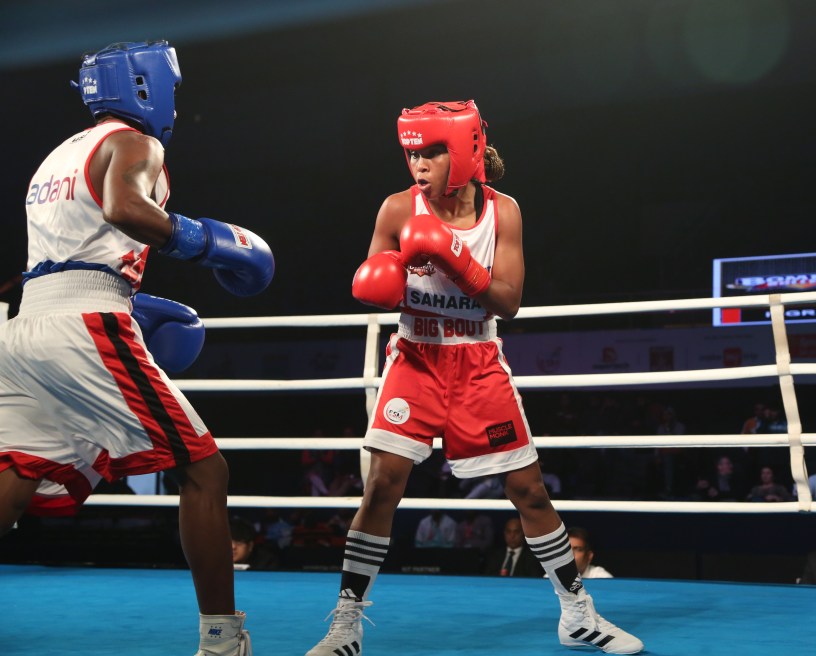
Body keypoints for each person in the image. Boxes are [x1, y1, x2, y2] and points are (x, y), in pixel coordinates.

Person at [304, 100, 643, 655]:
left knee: (528, 489)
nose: (419, 163)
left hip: (477, 362)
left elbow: (507, 301)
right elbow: (371, 283)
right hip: (415, 359)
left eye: (432, 151)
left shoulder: (502, 212)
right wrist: (382, 278)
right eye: (413, 151)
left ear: (464, 152)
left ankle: (578, 615)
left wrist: (451, 254)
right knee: (381, 486)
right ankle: (345, 626)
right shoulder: (395, 208)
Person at [0, 41, 275, 656]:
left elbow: (52, 263)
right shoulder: (137, 144)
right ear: (147, 87)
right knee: (204, 470)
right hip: (81, 325)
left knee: (17, 475)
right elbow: (127, 208)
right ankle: (223, 639)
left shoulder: (56, 157)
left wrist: (127, 297)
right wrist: (207, 242)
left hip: (24, 330)